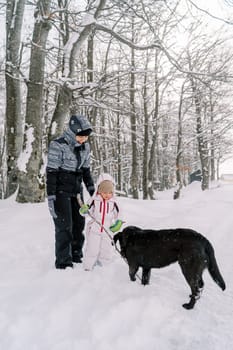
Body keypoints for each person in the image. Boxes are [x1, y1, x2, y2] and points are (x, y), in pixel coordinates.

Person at [46, 114, 95, 269]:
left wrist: (92, 188)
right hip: (61, 191)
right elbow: (52, 171)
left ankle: (76, 255)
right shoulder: (58, 144)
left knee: (78, 225)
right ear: (73, 132)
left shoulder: (85, 147)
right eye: (81, 136)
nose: (84, 140)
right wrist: (51, 195)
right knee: (64, 226)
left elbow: (86, 170)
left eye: (86, 137)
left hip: (77, 191)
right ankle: (63, 262)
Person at [80, 173, 123, 271]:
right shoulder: (94, 200)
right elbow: (87, 212)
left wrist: (118, 223)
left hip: (107, 229)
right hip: (95, 228)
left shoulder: (114, 202)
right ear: (99, 191)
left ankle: (104, 268)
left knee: (106, 249)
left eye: (109, 192)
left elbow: (119, 214)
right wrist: (84, 210)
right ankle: (88, 266)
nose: (107, 195)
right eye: (104, 192)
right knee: (92, 249)